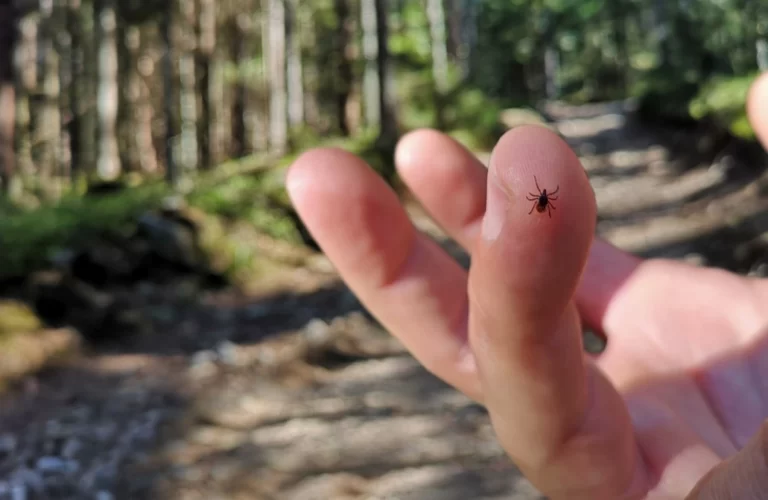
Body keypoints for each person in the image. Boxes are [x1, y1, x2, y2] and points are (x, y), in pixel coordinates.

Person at [285, 72, 768, 499]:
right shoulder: (543, 198)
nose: (541, 197)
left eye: (540, 196)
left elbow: (548, 198)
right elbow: (547, 197)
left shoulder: (544, 199)